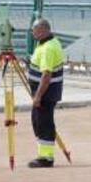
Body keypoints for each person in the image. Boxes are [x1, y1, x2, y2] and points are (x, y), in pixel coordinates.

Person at [27, 18, 64, 168]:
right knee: (40, 121)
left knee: (43, 123)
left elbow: (46, 75)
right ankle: (44, 155)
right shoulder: (48, 42)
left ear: (42, 30)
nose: (32, 32)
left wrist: (38, 96)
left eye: (34, 30)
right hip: (48, 93)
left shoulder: (48, 47)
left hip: (46, 94)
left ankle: (46, 158)